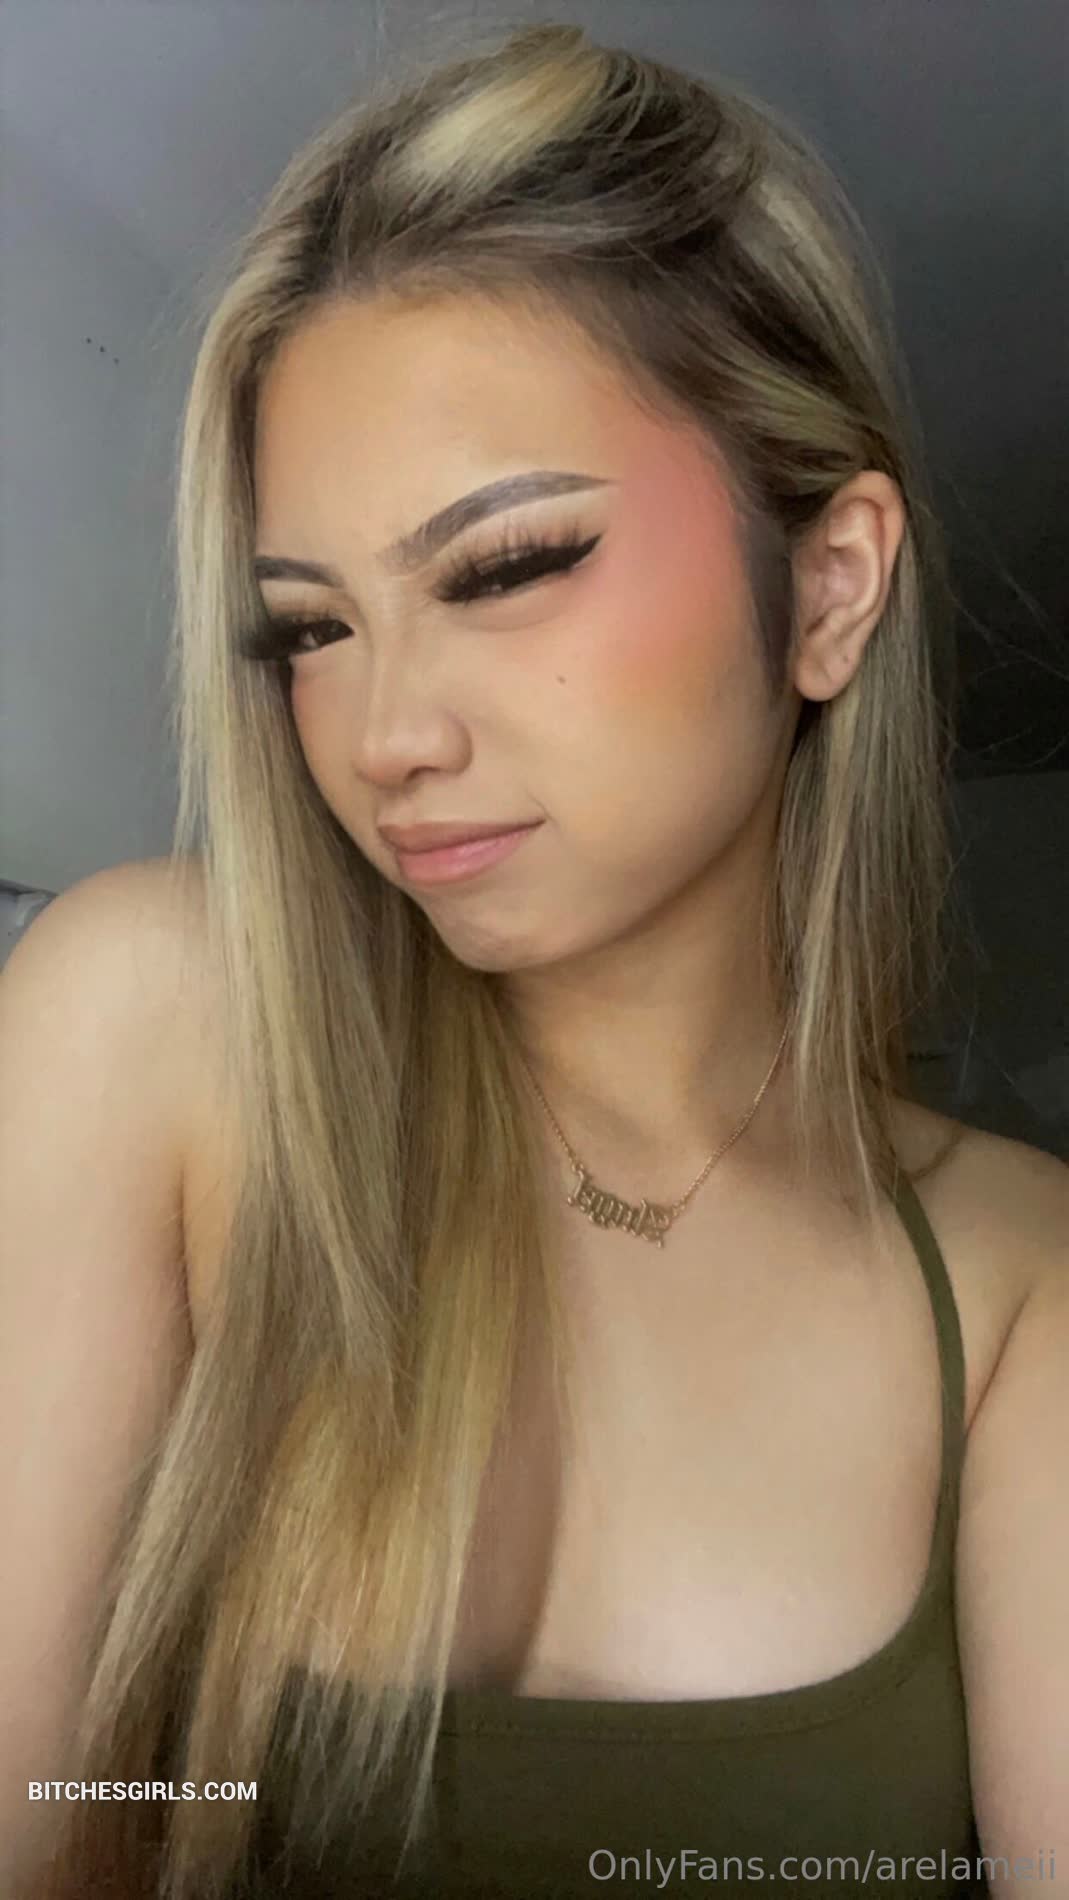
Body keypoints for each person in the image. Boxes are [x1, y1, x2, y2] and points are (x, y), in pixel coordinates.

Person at [2, 20, 1066, 1900]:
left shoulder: (1012, 1282)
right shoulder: (163, 1024)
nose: (382, 736)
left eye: (503, 569)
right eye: (308, 630)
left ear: (826, 586)